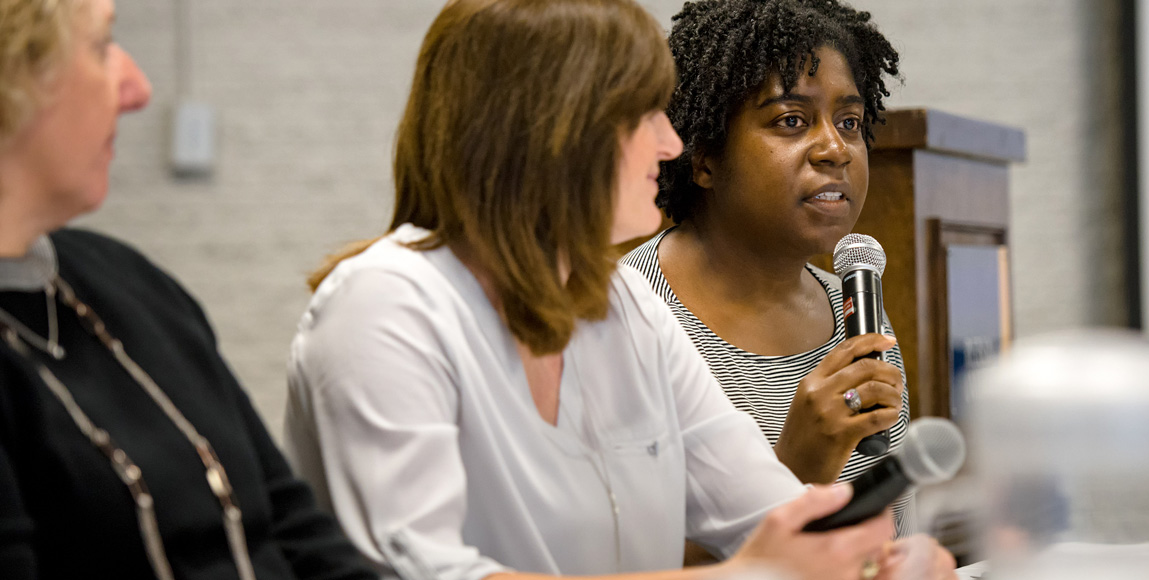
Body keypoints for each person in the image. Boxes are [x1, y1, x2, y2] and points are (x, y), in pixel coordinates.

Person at [285, 0, 952, 579]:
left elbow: (766, 511)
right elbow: (424, 573)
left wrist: (882, 561)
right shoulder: (384, 307)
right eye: (642, 116)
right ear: (546, 132)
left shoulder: (626, 310)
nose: (671, 144)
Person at [0, 1, 378, 578]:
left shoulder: (132, 283)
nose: (139, 89)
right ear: (13, 81)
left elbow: (296, 527)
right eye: (103, 48)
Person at [621, 0, 917, 539]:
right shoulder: (626, 315)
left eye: (850, 122)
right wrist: (796, 468)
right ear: (704, 157)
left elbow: (890, 528)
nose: (835, 148)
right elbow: (630, 563)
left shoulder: (856, 306)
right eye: (791, 121)